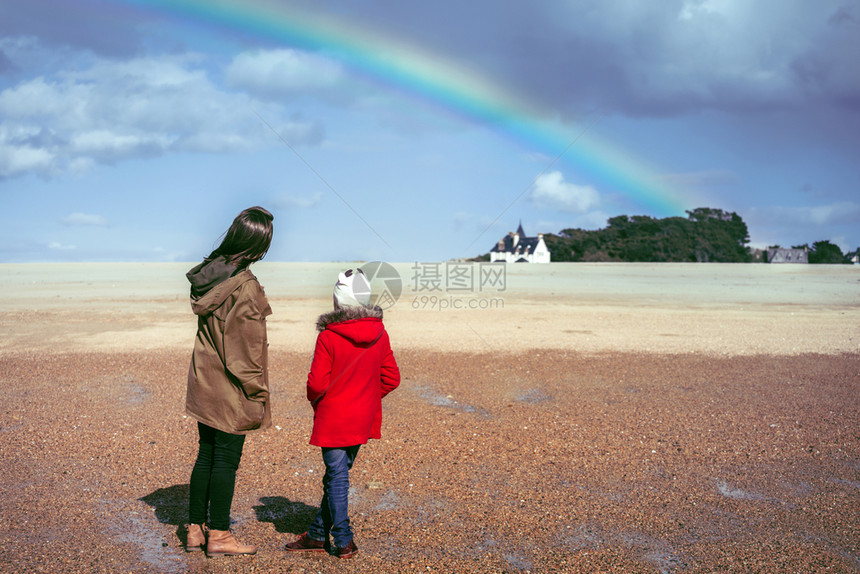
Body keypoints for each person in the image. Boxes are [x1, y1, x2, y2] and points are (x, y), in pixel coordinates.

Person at [285, 267, 400, 558]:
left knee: (337, 477)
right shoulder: (379, 332)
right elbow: (391, 378)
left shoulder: (328, 336)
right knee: (337, 475)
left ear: (338, 301)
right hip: (362, 416)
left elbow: (316, 384)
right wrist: (367, 398)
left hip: (334, 417)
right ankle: (315, 535)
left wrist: (318, 401)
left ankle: (344, 540)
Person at [183, 206, 274, 557]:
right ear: (258, 246)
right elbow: (245, 353)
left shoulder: (213, 274)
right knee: (225, 460)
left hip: (204, 381)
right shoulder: (245, 287)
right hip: (231, 388)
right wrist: (258, 392)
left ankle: (195, 529)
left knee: (206, 454)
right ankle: (219, 533)